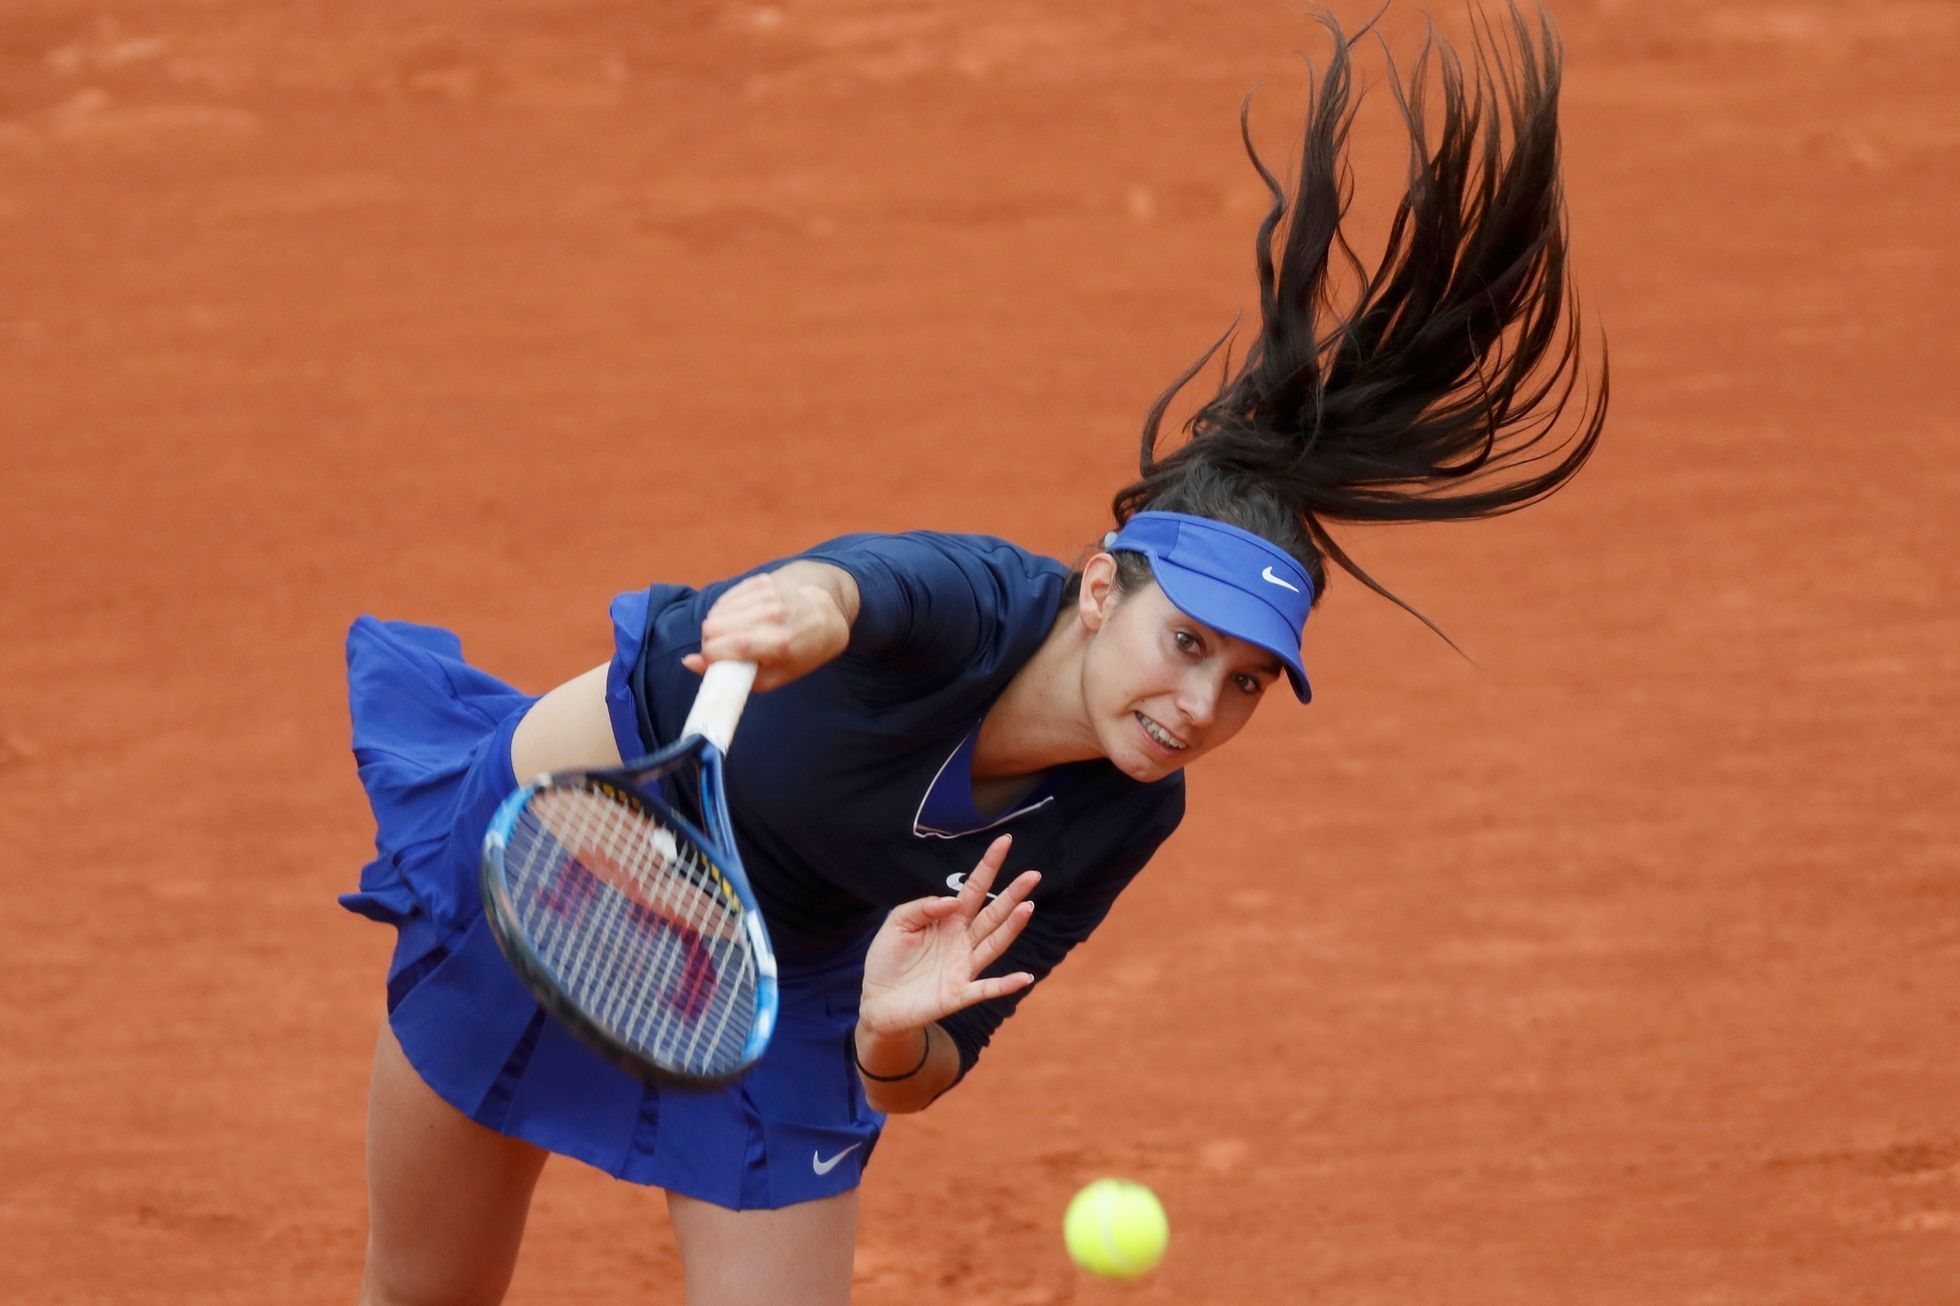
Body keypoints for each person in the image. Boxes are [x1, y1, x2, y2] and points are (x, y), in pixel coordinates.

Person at [342, 8, 1607, 1304]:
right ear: (1101, 585)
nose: (1197, 705)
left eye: (1243, 683)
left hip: (788, 965)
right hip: (562, 858)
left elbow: (938, 1059)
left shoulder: (1126, 813)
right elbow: (861, 589)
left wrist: (894, 1029)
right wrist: (803, 611)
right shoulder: (971, 599)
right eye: (1185, 644)